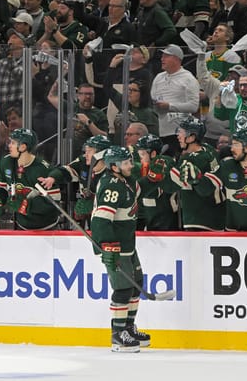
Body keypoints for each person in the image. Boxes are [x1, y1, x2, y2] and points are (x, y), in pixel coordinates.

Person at [90, 145, 150, 352]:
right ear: (113, 166)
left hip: (127, 244)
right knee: (123, 288)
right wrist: (108, 246)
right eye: (125, 163)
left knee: (136, 284)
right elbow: (100, 220)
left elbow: (143, 189)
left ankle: (129, 328)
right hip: (114, 245)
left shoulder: (128, 181)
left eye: (129, 161)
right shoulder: (111, 185)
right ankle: (118, 334)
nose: (129, 165)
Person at [189, 128, 247, 231]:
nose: (231, 149)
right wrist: (197, 178)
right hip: (234, 232)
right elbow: (208, 187)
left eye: (236, 145)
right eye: (232, 145)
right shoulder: (227, 165)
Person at [0, 128, 61, 230]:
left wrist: (25, 205)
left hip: (47, 228)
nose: (9, 146)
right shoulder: (6, 163)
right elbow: (1, 188)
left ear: (23, 147)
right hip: (21, 225)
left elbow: (54, 201)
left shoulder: (43, 169)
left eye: (13, 143)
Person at [38, 135, 112, 225]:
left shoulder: (113, 171)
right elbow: (66, 170)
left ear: (101, 154)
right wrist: (52, 178)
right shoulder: (83, 162)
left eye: (89, 151)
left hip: (110, 221)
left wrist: (94, 204)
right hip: (89, 220)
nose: (86, 154)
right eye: (86, 151)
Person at [172, 118, 223, 231]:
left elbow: (171, 181)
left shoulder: (191, 159)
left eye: (181, 132)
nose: (178, 136)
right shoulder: (209, 150)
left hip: (197, 219)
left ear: (192, 137)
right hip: (215, 216)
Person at [135, 134, 179, 231]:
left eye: (142, 154)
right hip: (151, 222)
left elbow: (154, 191)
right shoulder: (144, 168)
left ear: (153, 153)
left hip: (167, 222)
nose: (140, 158)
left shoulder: (163, 162)